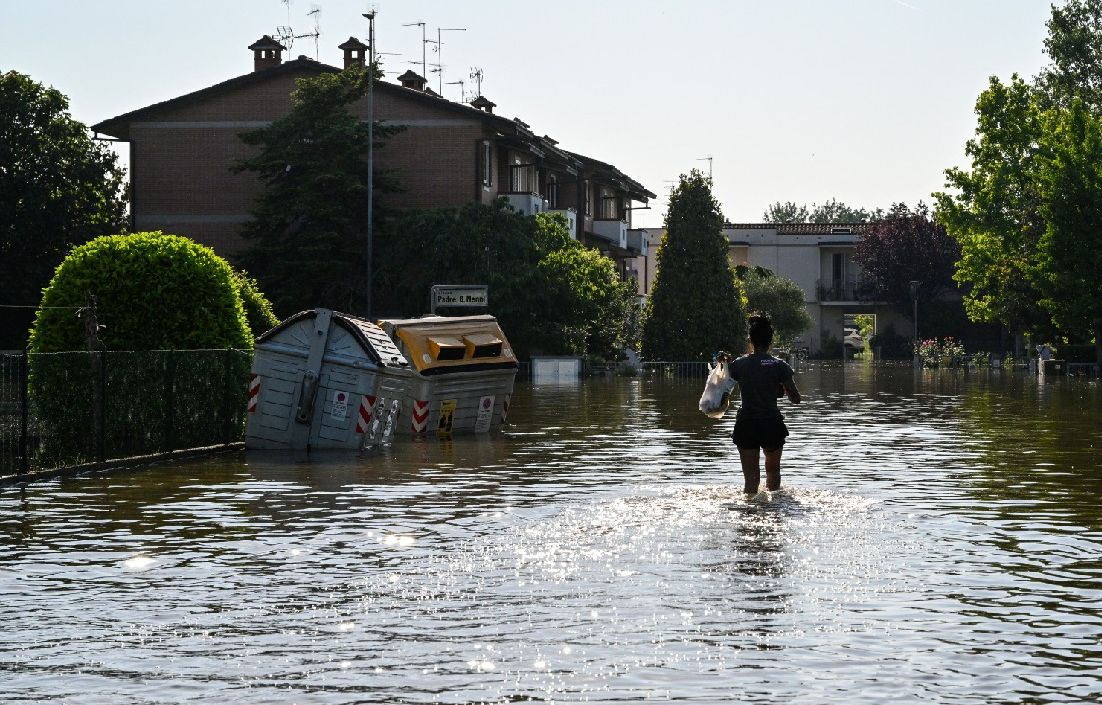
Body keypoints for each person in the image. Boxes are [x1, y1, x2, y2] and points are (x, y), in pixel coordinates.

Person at [721, 312, 801, 494]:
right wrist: (782, 388)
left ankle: (750, 513)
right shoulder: (780, 365)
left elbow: (722, 391)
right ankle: (773, 512)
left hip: (746, 424)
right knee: (773, 474)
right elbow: (796, 399)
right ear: (770, 341)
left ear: (751, 340)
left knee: (750, 480)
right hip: (771, 424)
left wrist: (724, 364)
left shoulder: (739, 365)